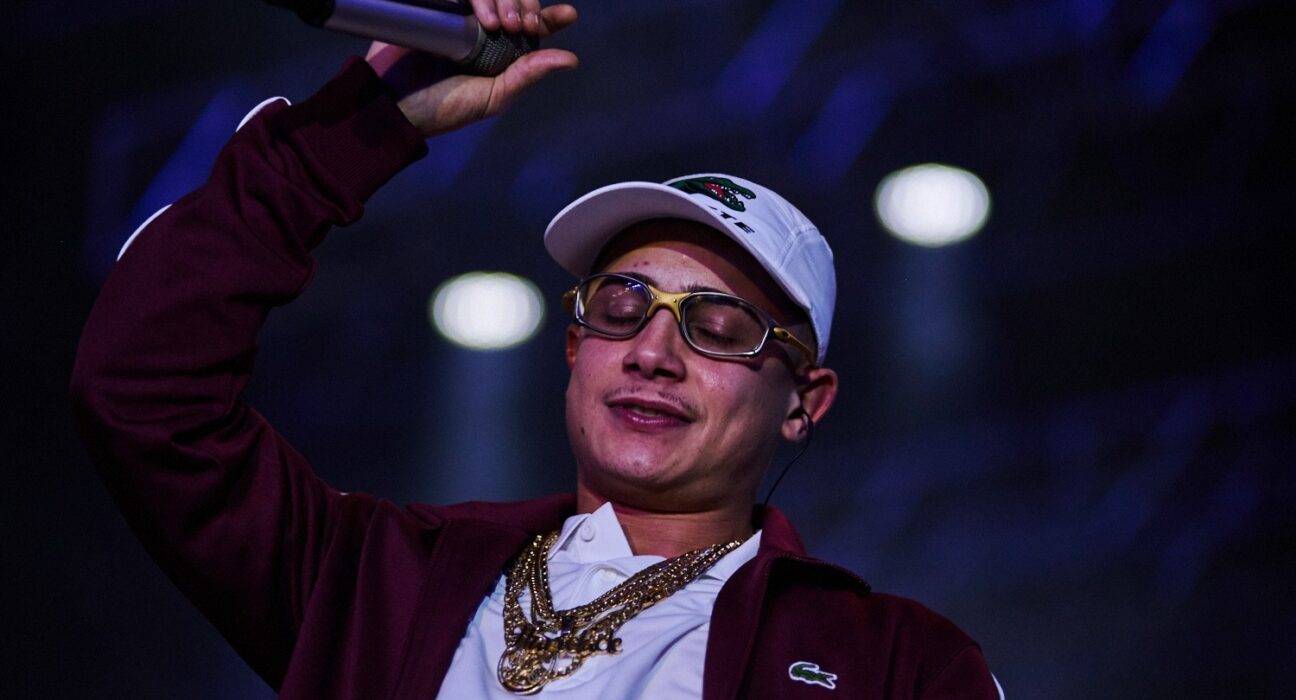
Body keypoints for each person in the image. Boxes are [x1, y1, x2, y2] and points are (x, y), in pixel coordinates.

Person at [71, 1, 1000, 697]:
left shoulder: (894, 664)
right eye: (621, 306)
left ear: (804, 400)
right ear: (573, 346)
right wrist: (360, 130)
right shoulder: (382, 583)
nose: (653, 351)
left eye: (718, 327)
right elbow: (143, 387)